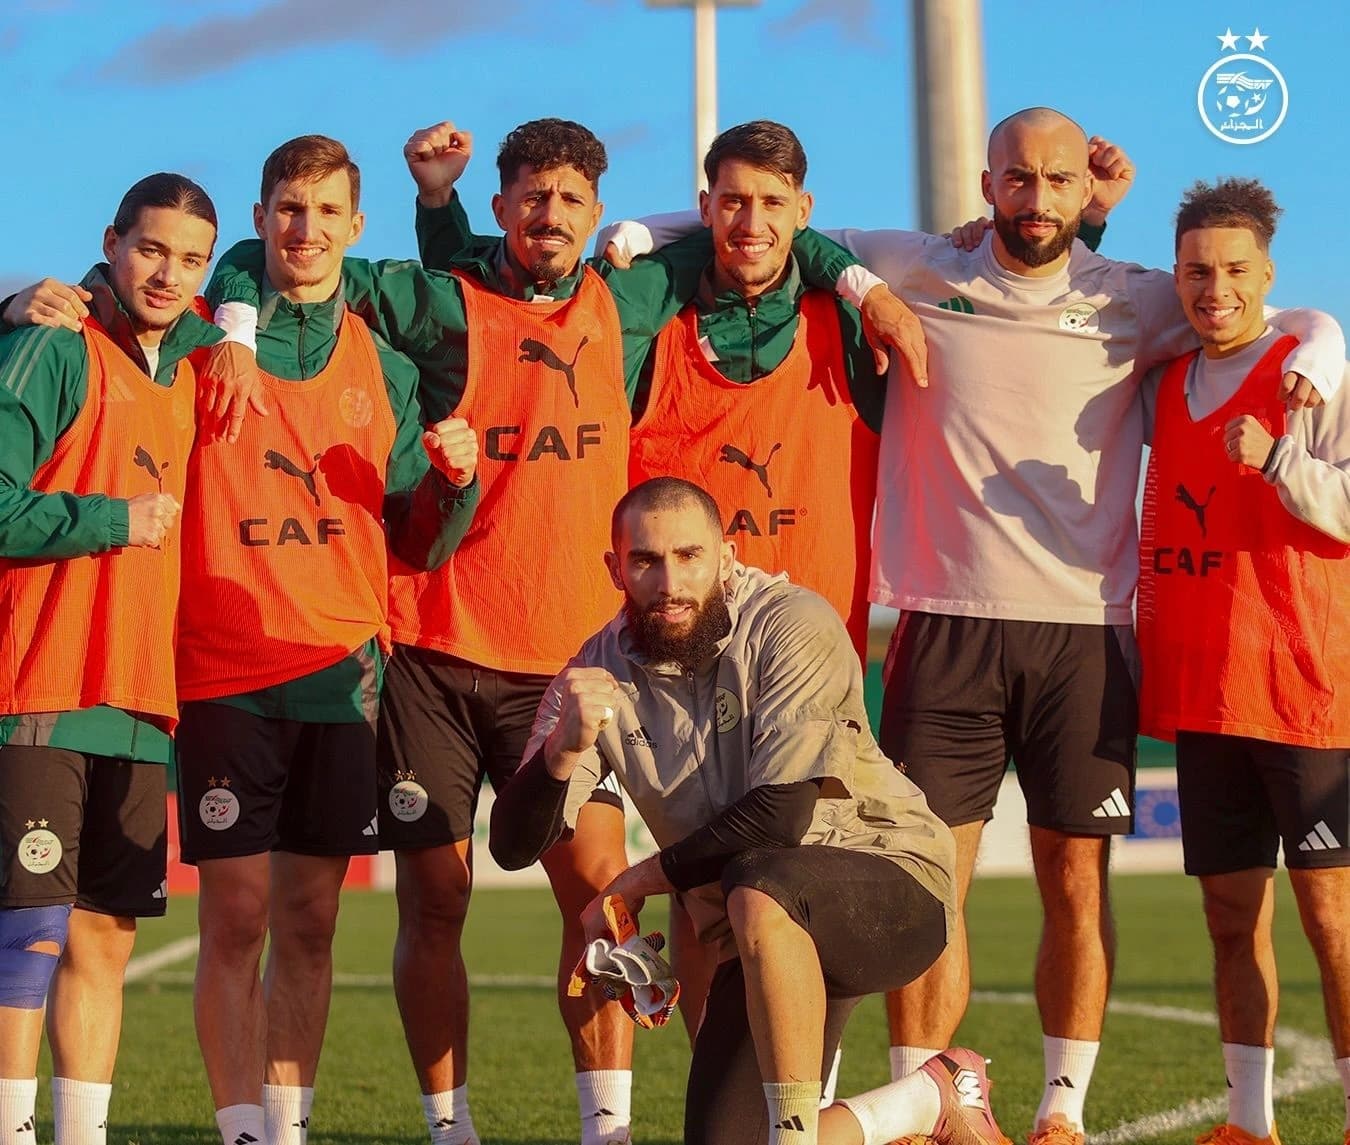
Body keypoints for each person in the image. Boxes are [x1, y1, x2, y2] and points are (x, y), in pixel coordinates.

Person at [597, 106, 1346, 1145]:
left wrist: (1328, 335)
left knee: (1074, 880)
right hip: (943, 623)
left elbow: (1267, 316)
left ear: (1085, 193)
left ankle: (1061, 1110)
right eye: (1016, 178)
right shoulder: (917, 263)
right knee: (926, 876)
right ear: (987, 184)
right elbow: (765, 227)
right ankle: (917, 1104)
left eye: (1055, 180)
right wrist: (639, 227)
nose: (1034, 199)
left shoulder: (1137, 299)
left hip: (1083, 628)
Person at [205, 115, 921, 1145]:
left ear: (598, 214)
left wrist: (866, 287)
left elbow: (764, 235)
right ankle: (449, 1123)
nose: (550, 215)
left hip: (575, 663)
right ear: (502, 209)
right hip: (439, 650)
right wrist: (233, 323)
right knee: (436, 901)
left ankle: (608, 1127)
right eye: (532, 198)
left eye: (572, 201)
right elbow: (281, 251)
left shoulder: (631, 293)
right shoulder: (440, 299)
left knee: (598, 896)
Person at [488, 476, 1008, 1145]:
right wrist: (561, 753)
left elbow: (782, 816)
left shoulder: (792, 622)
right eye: (645, 560)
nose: (669, 581)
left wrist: (636, 880)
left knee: (761, 880)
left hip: (890, 885)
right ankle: (926, 1097)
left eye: (689, 556)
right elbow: (510, 845)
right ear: (615, 568)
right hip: (758, 927)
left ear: (726, 557)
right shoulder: (596, 668)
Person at [175, 135, 480, 1145]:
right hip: (222, 666)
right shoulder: (198, 339)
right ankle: (241, 1130)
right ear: (260, 219)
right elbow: (118, 289)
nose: (304, 231)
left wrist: (454, 483)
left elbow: (415, 539)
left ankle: (288, 1126)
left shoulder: (383, 363)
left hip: (342, 671)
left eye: (325, 214)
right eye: (287, 209)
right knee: (239, 912)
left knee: (311, 919)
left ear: (355, 229)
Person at [0, 173, 221, 1145]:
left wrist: (243, 334)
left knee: (103, 935)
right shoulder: (51, 342)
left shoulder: (188, 362)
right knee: (26, 936)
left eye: (191, 259)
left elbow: (278, 277)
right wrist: (112, 521)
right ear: (111, 241)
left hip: (140, 699)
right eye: (152, 249)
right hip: (40, 684)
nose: (168, 273)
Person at [1137, 177, 1350, 1145]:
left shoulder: (1316, 376)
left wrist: (1278, 461)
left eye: (1233, 270)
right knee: (1232, 919)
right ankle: (1247, 1122)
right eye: (1195, 270)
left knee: (1333, 924)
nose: (1212, 287)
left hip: (1308, 690)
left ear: (1267, 273)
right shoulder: (1165, 383)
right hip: (1207, 692)